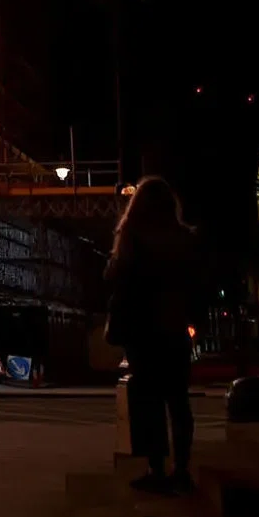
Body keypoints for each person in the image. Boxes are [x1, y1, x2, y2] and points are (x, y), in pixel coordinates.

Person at [105, 176, 202, 493]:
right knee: (178, 401)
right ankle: (182, 468)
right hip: (174, 327)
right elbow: (196, 287)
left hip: (142, 330)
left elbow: (117, 278)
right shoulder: (184, 240)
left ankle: (156, 467)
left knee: (150, 402)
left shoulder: (132, 238)